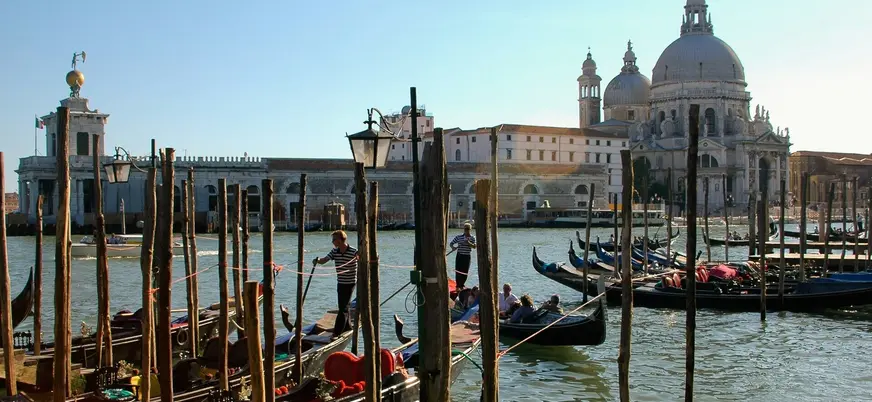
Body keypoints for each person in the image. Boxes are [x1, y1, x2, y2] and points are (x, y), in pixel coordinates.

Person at [313, 230, 358, 337]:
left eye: (334, 239)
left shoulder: (353, 251)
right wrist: (317, 260)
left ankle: (337, 332)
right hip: (340, 282)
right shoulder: (334, 251)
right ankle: (347, 326)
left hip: (350, 282)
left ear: (340, 240)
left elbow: (362, 257)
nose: (332, 241)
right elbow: (324, 260)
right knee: (343, 306)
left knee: (343, 308)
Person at [449, 223, 477, 289]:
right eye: (465, 229)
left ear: (470, 229)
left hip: (467, 256)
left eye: (467, 229)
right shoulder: (459, 237)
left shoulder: (472, 238)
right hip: (459, 256)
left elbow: (474, 246)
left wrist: (468, 243)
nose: (466, 230)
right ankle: (458, 286)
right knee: (458, 271)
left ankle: (461, 285)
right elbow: (451, 243)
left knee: (465, 272)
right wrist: (453, 247)